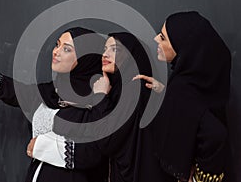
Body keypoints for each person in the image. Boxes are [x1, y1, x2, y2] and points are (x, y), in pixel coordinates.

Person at [0, 17, 109, 182]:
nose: (56, 51)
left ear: (85, 59)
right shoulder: (50, 92)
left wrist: (41, 146)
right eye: (57, 45)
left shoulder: (98, 103)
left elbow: (95, 152)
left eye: (67, 49)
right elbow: (1, 85)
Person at [26, 32, 153, 182]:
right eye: (105, 49)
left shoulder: (133, 90)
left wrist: (100, 96)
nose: (105, 54)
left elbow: (107, 141)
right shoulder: (116, 87)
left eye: (115, 50)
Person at [134, 11, 231, 182]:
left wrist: (202, 178)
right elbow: (196, 109)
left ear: (182, 47)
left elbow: (215, 134)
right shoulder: (201, 80)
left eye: (163, 38)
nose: (156, 39)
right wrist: (165, 91)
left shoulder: (181, 89)